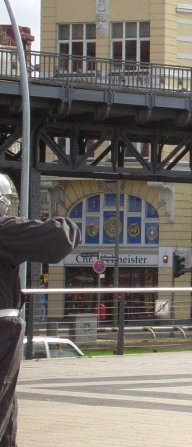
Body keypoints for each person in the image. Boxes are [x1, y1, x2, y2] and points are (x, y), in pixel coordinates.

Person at [0, 174, 81, 446]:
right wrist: (71, 225)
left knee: (7, 405)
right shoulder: (4, 231)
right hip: (1, 329)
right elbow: (59, 237)